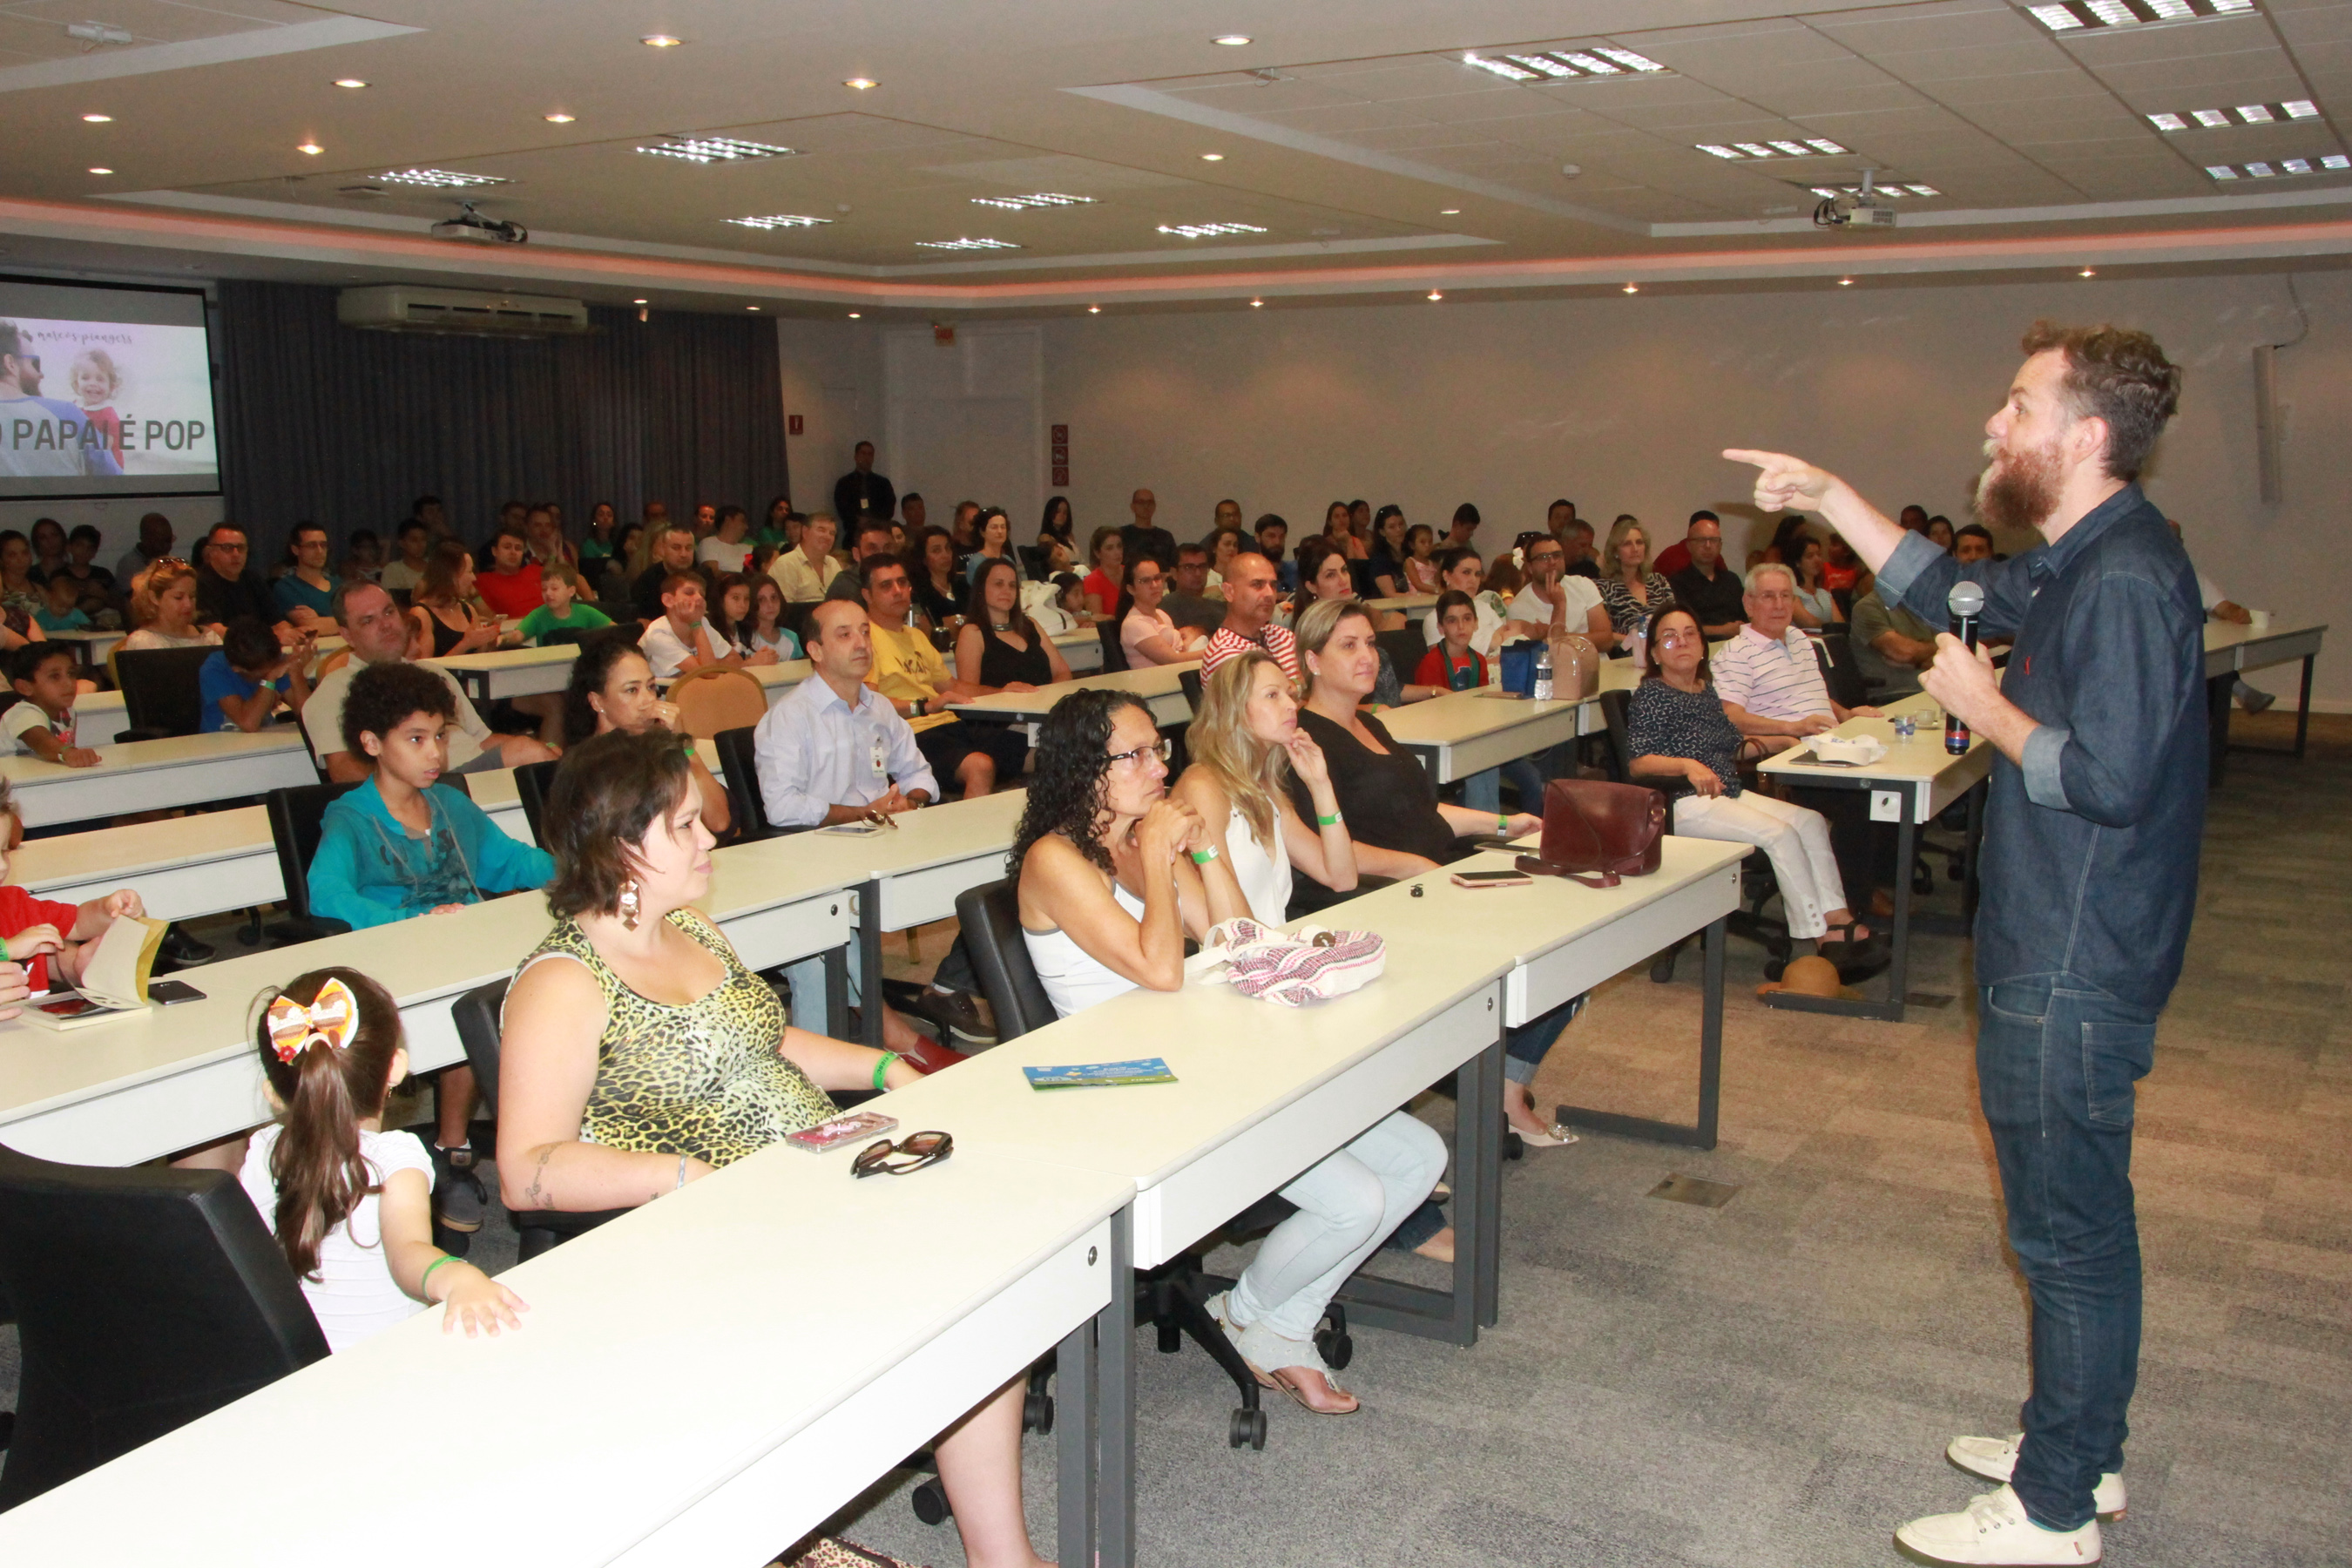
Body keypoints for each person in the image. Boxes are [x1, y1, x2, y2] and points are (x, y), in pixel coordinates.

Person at [1728, 321, 2202, 1565]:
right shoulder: (2085, 554)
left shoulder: (2128, 579)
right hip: (2065, 939)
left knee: (2067, 1233)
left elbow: (2108, 778)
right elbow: (1952, 588)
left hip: (2077, 953)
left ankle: (2056, 1506)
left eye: (2019, 405)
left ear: (2086, 437)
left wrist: (1983, 709)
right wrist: (1833, 499)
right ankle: (2076, 1443)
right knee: (2072, 1221)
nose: (1996, 424)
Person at [496, 729, 1049, 1567]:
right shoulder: (564, 981)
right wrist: (681, 1178)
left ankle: (1001, 1558)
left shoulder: (691, 930)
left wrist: (886, 1066)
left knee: (982, 1275)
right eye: (684, 825)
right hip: (699, 1234)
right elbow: (527, 1170)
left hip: (803, 1181)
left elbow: (764, 1041)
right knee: (954, 1289)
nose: (710, 834)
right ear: (621, 847)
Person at [1015, 685, 1443, 1415]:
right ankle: (1262, 1320)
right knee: (1356, 1200)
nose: (1160, 767)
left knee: (1419, 1157)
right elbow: (1158, 968)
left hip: (1200, 1054)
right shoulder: (1055, 860)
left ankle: (1267, 1322)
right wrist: (1156, 855)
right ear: (1090, 770)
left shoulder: (1139, 836)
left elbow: (1236, 940)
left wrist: (1205, 849)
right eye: (1140, 754)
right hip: (1127, 1087)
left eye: (1160, 749)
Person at [1287, 598, 1577, 1145]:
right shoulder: (1306, 739)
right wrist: (1418, 869)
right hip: (1377, 894)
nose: (1368, 656)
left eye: (1370, 643)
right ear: (1313, 661)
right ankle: (1492, 1081)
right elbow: (1334, 849)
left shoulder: (1373, 723)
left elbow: (1422, 809)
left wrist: (1499, 820)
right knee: (1535, 942)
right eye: (1348, 646)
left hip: (1433, 873)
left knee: (1565, 934)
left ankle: (1505, 1084)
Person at [240, 967, 527, 1351]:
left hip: (283, 1357)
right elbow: (407, 1252)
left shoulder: (264, 1149)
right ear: (396, 1068)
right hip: (379, 1357)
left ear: (273, 1093)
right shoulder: (395, 1159)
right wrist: (455, 1276)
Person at [1626, 607, 1873, 950]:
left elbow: (1733, 744)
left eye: (1689, 633)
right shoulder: (1652, 695)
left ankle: (1837, 915)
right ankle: (1815, 933)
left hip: (1726, 793)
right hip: (1682, 803)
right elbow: (1639, 763)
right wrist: (1686, 765)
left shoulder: (1704, 690)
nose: (1681, 642)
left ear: (1702, 645)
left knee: (1811, 821)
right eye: (1669, 636)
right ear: (1654, 652)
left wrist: (1786, 740)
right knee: (1781, 834)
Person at [308, 660, 556, 931]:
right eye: (417, 739)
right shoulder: (350, 818)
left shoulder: (450, 802)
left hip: (471, 934)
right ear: (372, 743)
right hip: (400, 945)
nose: (435, 753)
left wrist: (579, 874)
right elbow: (328, 896)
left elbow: (511, 860)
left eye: (439, 736)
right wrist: (406, 922)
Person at [303, 580, 554, 784]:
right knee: (528, 755)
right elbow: (344, 772)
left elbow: (483, 740)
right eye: (368, 621)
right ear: (347, 635)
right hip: (433, 786)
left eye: (389, 612)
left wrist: (546, 751)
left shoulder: (433, 675)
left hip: (479, 773)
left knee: (555, 757)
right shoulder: (334, 692)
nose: (386, 625)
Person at [862, 554, 1028, 798]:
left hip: (951, 725)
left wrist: (1002, 691)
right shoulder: (864, 639)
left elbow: (951, 685)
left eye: (902, 583)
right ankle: (971, 836)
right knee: (980, 766)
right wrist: (925, 707)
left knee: (1043, 751)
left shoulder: (915, 636)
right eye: (886, 585)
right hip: (910, 734)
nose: (897, 591)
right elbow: (869, 703)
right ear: (867, 595)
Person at [562, 636, 731, 837]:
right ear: (597, 702)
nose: (648, 700)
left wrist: (682, 742)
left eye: (651, 687)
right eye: (631, 690)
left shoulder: (659, 746)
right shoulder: (587, 766)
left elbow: (719, 821)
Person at [1708, 564, 1878, 740]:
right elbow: (1730, 717)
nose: (1779, 605)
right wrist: (1793, 728)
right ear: (1748, 604)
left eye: (1785, 595)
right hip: (1790, 751)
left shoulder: (1799, 638)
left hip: (1833, 739)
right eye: (1768, 596)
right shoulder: (1735, 653)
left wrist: (1845, 715)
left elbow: (1812, 694)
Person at [1416, 591, 1544, 815]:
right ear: (1440, 628)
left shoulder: (1479, 660)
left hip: (1480, 738)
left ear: (1476, 623)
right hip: (1453, 743)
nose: (1461, 627)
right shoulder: (1431, 662)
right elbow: (1428, 716)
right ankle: (1481, 832)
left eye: (1467, 619)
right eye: (1452, 621)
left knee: (1533, 779)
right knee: (1484, 770)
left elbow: (1482, 705)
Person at [0, 319, 121, 480]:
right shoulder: (66, 414)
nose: (40, 374)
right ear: (10, 363)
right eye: (35, 363)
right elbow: (114, 479)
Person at [956, 558, 1072, 695]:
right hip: (1000, 713)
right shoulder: (972, 633)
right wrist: (1003, 693)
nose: (1006, 590)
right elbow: (967, 691)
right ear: (981, 589)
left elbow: (1063, 672)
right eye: (998, 584)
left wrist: (1047, 697)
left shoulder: (1031, 624)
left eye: (1012, 585)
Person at [199, 617, 314, 733]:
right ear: (237, 669)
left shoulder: (272, 659)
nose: (274, 669)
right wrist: (270, 677)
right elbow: (248, 724)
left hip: (264, 740)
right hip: (220, 745)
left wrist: (296, 673)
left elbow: (309, 716)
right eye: (264, 672)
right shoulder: (214, 668)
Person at [1497, 531, 1611, 650]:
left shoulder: (1583, 585)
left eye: (1557, 555)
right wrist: (1559, 605)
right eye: (1543, 557)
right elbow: (1553, 652)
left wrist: (1553, 634)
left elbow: (1606, 641)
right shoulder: (1518, 608)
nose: (1552, 562)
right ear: (1530, 567)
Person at [1200, 549, 1300, 681]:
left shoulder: (1282, 636)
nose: (1270, 594)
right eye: (1257, 585)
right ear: (1229, 592)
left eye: (1273, 585)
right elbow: (1265, 701)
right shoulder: (1224, 653)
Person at [639, 571, 762, 679]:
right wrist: (696, 625)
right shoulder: (657, 633)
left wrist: (704, 664)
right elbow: (709, 673)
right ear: (668, 600)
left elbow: (736, 660)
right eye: (689, 593)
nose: (699, 598)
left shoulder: (702, 621)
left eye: (702, 594)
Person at [406, 541, 507, 660]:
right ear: (451, 576)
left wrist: (488, 641)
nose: (474, 578)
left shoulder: (468, 609)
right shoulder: (422, 614)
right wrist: (465, 644)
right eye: (469, 572)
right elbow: (424, 667)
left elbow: (478, 658)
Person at [5, 644, 98, 765]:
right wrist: (68, 753)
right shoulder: (23, 714)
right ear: (25, 687)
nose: (69, 683)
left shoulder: (67, 711)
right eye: (55, 676)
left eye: (71, 673)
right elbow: (43, 743)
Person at [1594, 517, 1674, 656]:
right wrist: (1639, 642)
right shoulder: (1603, 588)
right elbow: (1602, 634)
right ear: (1615, 552)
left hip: (1664, 654)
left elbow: (1675, 618)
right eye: (1627, 544)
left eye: (1639, 542)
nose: (1635, 549)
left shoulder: (1658, 581)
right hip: (1624, 659)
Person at [193, 523, 287, 636]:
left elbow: (276, 621)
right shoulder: (199, 583)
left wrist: (288, 632)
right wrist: (270, 636)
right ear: (211, 552)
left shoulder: (253, 579)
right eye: (227, 548)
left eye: (241, 548)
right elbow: (213, 630)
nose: (236, 554)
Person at [1119, 556, 1210, 668]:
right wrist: (1212, 652)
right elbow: (1171, 660)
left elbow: (1179, 651)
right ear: (1131, 589)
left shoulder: (1162, 614)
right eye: (1145, 581)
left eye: (1157, 578)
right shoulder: (1133, 624)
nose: (1155, 585)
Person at [1666, 512, 1745, 639]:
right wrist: (1722, 630)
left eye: (1713, 540)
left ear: (1720, 546)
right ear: (1689, 546)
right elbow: (1680, 626)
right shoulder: (1676, 583)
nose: (1708, 546)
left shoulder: (1732, 580)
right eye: (1701, 540)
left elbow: (1746, 618)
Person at [1417, 547, 1504, 659]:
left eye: (1477, 574)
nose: (1473, 580)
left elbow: (1506, 642)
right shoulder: (1435, 619)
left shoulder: (1485, 607)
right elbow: (1450, 667)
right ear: (1446, 575)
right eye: (1466, 572)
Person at [121, 558, 220, 652]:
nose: (188, 605)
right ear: (154, 598)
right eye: (178, 597)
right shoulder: (143, 642)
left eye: (192, 597)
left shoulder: (209, 637)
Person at [516, 560, 613, 645]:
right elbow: (517, 636)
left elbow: (615, 631)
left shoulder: (586, 612)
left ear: (571, 591)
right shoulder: (537, 615)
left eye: (554, 588)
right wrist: (503, 639)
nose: (548, 593)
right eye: (544, 589)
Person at [272, 524, 341, 631]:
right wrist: (346, 621)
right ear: (296, 550)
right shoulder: (286, 587)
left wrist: (321, 619)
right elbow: (311, 626)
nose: (320, 551)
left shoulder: (338, 583)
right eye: (312, 546)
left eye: (323, 545)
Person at [473, 525, 544, 621]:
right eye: (507, 547)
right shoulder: (481, 581)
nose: (513, 552)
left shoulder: (536, 571)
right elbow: (490, 620)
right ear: (495, 551)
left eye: (518, 548)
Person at [825, 515, 901, 604]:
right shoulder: (846, 586)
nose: (881, 554)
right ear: (856, 554)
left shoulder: (902, 577)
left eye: (887, 548)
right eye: (873, 549)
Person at [634, 524, 701, 619]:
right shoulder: (647, 580)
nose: (684, 554)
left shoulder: (704, 575)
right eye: (676, 548)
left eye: (688, 548)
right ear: (663, 549)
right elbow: (644, 621)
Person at [767, 512, 837, 605]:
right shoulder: (786, 563)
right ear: (805, 532)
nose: (828, 536)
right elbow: (782, 610)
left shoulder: (833, 563)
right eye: (821, 530)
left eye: (832, 533)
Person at [55, 524, 118, 623]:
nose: (84, 551)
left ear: (95, 553)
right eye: (80, 545)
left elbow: (121, 604)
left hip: (102, 627)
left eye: (90, 548)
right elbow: (54, 609)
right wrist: (84, 607)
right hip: (69, 627)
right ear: (69, 547)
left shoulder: (103, 574)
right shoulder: (60, 575)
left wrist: (103, 595)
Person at [831, 440, 896, 527]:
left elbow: (889, 509)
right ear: (856, 456)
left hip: (879, 530)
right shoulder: (845, 483)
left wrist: (873, 521)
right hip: (853, 533)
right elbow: (843, 509)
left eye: (870, 454)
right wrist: (857, 520)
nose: (866, 457)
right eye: (863, 453)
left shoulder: (883, 483)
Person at [742, 576, 802, 659]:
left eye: (774, 598)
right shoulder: (745, 637)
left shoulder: (791, 637)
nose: (770, 605)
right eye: (761, 600)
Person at [1789, 536, 1842, 628]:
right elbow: (1808, 623)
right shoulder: (1792, 593)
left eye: (1819, 555)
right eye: (1810, 556)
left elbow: (1840, 624)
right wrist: (1830, 627)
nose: (1817, 560)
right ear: (1797, 562)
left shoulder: (1825, 594)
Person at [113, 510, 174, 589]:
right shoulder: (129, 564)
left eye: (168, 540)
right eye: (160, 541)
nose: (166, 546)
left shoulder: (173, 563)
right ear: (146, 539)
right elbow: (134, 599)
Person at [1119, 487, 1175, 571]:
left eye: (1150, 502)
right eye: (1141, 502)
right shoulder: (1121, 534)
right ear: (1132, 507)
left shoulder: (1165, 537)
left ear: (1155, 506)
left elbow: (1173, 568)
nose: (1146, 506)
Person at [1079, 525, 1124, 617]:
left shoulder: (1132, 572)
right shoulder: (1092, 581)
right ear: (1097, 553)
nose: (1117, 552)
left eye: (1119, 546)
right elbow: (1097, 619)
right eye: (1110, 548)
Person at [381, 518, 431, 594]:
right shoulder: (393, 570)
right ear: (402, 543)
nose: (420, 544)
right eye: (414, 540)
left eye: (423, 539)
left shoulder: (434, 566)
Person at [697, 504, 753, 572]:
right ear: (728, 520)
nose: (746, 527)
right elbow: (713, 572)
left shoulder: (748, 549)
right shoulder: (709, 544)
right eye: (743, 522)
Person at [33, 572, 89, 636]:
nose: (64, 610)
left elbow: (89, 628)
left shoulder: (75, 614)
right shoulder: (41, 616)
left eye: (69, 608)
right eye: (60, 606)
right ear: (49, 598)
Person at [1254, 513, 1294, 592]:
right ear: (1257, 537)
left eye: (1281, 537)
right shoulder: (1249, 574)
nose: (1277, 542)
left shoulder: (1295, 572)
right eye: (1271, 536)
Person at [1399, 524, 1441, 595]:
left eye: (1430, 542)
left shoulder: (1433, 563)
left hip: (1433, 596)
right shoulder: (1410, 562)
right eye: (1422, 542)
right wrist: (1437, 590)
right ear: (1412, 545)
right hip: (1417, 599)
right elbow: (1417, 584)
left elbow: (1437, 581)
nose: (1427, 545)